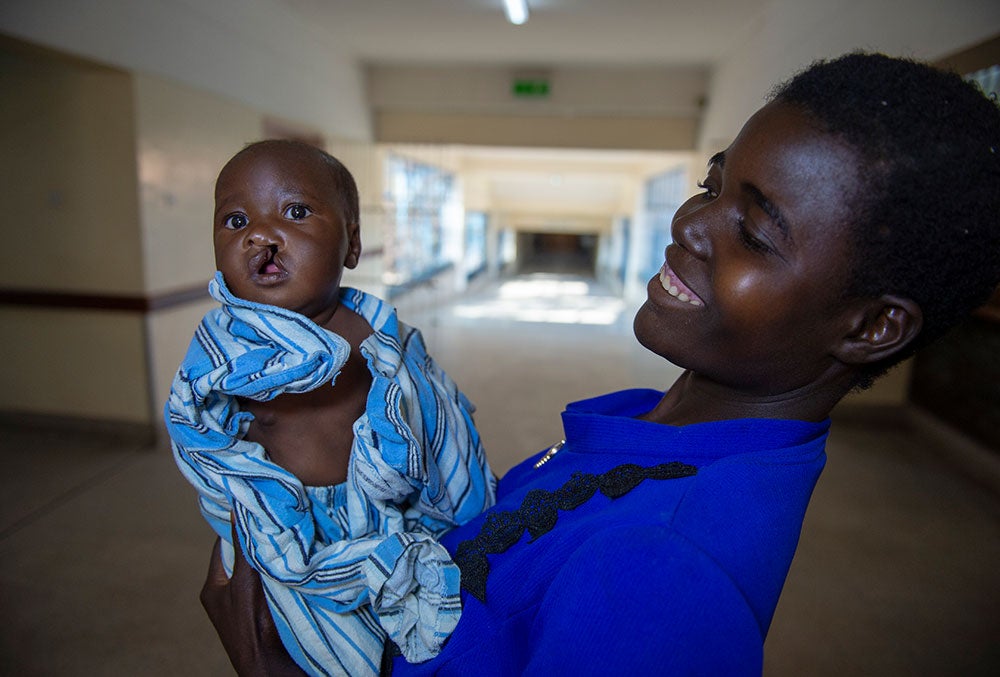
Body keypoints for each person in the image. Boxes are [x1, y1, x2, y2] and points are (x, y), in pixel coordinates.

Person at [199, 53, 1000, 675]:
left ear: (871, 327)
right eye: (710, 184)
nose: (691, 225)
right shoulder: (644, 428)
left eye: (755, 233)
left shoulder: (664, 568)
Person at [164, 140, 496, 676]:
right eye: (235, 219)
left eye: (296, 212)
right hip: (287, 526)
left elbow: (438, 422)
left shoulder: (385, 340)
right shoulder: (227, 345)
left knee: (428, 634)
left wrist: (463, 506)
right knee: (325, 656)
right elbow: (196, 424)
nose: (261, 234)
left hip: (386, 517)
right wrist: (242, 499)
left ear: (352, 244)